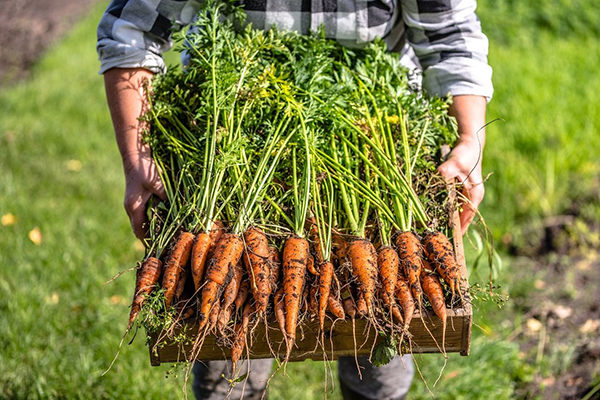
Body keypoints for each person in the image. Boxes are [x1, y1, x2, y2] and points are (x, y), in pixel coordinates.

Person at [97, 1, 492, 399]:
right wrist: (137, 160)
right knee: (222, 334)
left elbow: (450, 34)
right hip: (229, 131)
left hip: (372, 138)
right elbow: (131, 31)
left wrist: (469, 139)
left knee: (382, 346)